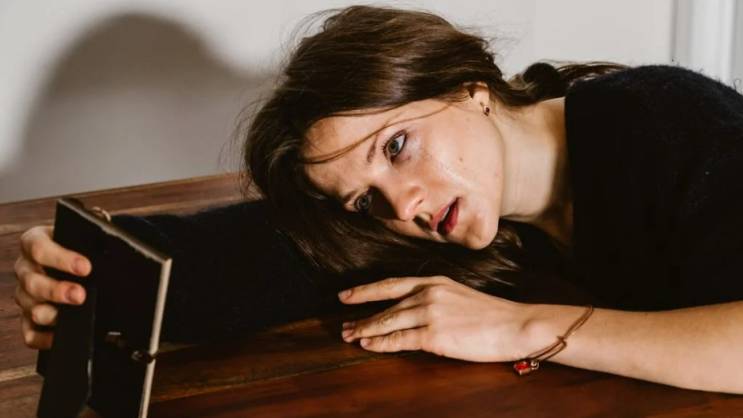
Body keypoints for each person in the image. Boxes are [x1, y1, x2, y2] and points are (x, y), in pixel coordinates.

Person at [13, 6, 743, 394]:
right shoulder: (438, 219)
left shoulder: (663, 121)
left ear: (470, 87)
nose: (402, 205)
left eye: (396, 146)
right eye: (365, 200)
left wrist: (520, 328)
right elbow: (253, 255)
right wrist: (87, 271)